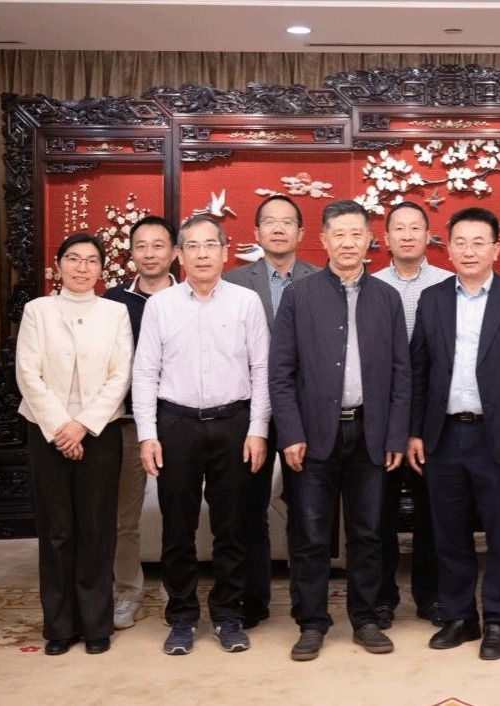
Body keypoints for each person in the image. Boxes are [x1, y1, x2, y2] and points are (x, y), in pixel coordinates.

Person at [269, 199, 410, 662]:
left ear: (370, 240)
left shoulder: (386, 298)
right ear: (324, 240)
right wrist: (290, 433)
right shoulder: (300, 295)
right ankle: (311, 623)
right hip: (312, 436)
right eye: (339, 234)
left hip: (371, 433)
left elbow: (401, 373)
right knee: (310, 534)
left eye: (356, 234)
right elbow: (281, 373)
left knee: (368, 533)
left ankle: (365, 618)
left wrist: (395, 435)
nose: (348, 243)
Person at [408, 207, 500, 660]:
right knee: (448, 534)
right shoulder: (432, 299)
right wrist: (415, 432)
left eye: (478, 243)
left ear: (495, 249)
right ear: (447, 249)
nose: (469, 251)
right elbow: (418, 371)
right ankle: (459, 617)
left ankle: (498, 622)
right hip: (444, 436)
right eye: (460, 243)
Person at [132, 215, 270, 656]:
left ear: (226, 251)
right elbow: (145, 372)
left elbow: (262, 369)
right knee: (178, 528)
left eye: (211, 244)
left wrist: (258, 429)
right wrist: (148, 435)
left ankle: (228, 615)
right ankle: (182, 617)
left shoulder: (246, 302)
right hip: (176, 424)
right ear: (180, 254)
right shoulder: (161, 306)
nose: (202, 254)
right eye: (192, 246)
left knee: (232, 528)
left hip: (234, 424)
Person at [17, 233, 133, 656]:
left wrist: (82, 425)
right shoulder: (38, 311)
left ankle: (96, 624)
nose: (82, 267)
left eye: (91, 260)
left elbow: (121, 375)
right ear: (58, 265)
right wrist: (61, 427)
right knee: (57, 531)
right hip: (45, 430)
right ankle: (60, 626)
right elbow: (28, 373)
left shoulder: (115, 312)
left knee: (97, 529)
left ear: (102, 269)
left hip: (99, 433)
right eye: (73, 259)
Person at [223, 194, 320, 629]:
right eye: (269, 222)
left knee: (305, 509)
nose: (278, 229)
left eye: (287, 222)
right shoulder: (233, 282)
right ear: (256, 233)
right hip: (250, 412)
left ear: (301, 233)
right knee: (249, 506)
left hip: (305, 412)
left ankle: (306, 603)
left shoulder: (321, 280)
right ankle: (253, 599)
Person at [371, 200, 452, 630]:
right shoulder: (369, 286)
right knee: (379, 511)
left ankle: (431, 594)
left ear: (428, 235)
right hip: (380, 413)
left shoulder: (448, 284)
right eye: (398, 228)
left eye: (414, 228)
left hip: (432, 414)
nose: (406, 235)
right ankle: (382, 597)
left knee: (432, 509)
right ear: (385, 238)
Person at [103, 216, 176, 632]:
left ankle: (174, 590)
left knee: (178, 511)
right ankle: (128, 591)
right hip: (128, 422)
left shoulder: (188, 296)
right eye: (141, 246)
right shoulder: (112, 301)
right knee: (123, 517)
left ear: (174, 252)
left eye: (158, 245)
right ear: (131, 252)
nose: (150, 254)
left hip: (177, 420)